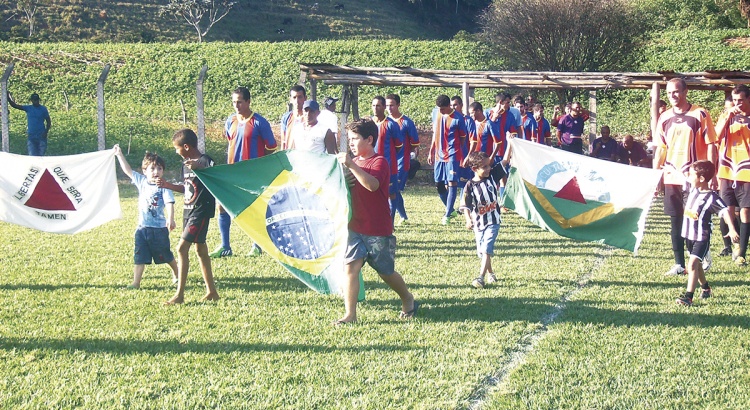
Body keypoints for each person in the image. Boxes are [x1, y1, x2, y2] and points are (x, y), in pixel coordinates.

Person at [334, 119, 418, 325]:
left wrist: (351, 165)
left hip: (377, 229)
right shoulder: (353, 164)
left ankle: (407, 298)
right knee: (350, 268)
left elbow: (372, 185)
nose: (351, 143)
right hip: (354, 227)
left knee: (385, 272)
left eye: (355, 139)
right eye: (349, 139)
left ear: (369, 139)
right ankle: (350, 315)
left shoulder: (379, 162)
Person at [654, 78, 717, 276]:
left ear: (685, 92)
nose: (673, 96)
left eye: (676, 92)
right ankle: (679, 264)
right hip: (671, 176)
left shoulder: (699, 114)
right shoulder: (664, 118)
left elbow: (711, 144)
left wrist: (711, 174)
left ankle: (698, 257)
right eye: (669, 93)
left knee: (694, 221)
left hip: (694, 179)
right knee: (676, 221)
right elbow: (660, 149)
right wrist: (657, 175)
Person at [211, 86, 277, 259]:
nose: (236, 105)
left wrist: (256, 162)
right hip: (231, 173)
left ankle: (256, 246)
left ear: (248, 101)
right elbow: (231, 141)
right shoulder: (230, 121)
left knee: (253, 209)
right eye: (234, 102)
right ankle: (225, 246)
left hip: (251, 175)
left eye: (240, 102)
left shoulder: (259, 122)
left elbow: (272, 147)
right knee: (222, 206)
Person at [158, 129, 219, 305]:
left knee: (181, 249)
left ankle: (179, 295)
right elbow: (187, 187)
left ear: (186, 146)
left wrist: (199, 167)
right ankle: (212, 292)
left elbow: (214, 173)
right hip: (188, 212)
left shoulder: (205, 160)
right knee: (201, 251)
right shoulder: (185, 164)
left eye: (177, 148)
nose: (176, 152)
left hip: (201, 212)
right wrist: (168, 185)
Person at [113, 145, 179, 289]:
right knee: (139, 256)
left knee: (165, 255)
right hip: (142, 229)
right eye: (152, 169)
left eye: (160, 168)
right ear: (144, 171)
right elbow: (128, 171)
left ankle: (177, 272)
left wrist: (171, 218)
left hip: (159, 229)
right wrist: (119, 155)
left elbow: (169, 202)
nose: (156, 172)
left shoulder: (164, 186)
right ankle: (136, 282)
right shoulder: (141, 182)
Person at [675, 160, 738, 306]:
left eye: (691, 175)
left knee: (692, 264)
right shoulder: (694, 188)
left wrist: (732, 228)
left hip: (701, 237)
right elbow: (681, 175)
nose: (689, 178)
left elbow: (725, 212)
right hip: (688, 235)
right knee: (696, 265)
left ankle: (688, 297)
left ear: (702, 179)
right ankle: (706, 288)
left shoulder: (712, 198)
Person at [714, 84, 750, 265]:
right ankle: (728, 246)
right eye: (735, 101)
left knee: (744, 212)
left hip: (746, 171)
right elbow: (714, 137)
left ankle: (742, 252)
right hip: (727, 170)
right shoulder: (727, 116)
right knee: (726, 210)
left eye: (741, 100)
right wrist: (727, 116)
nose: (737, 104)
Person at [460, 151, 501, 289]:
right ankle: (491, 273)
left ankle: (480, 277)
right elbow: (465, 206)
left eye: (489, 166)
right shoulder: (470, 186)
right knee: (482, 251)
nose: (489, 169)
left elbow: (505, 160)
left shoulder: (492, 177)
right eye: (484, 167)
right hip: (479, 223)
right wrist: (468, 220)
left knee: (486, 249)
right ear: (474, 169)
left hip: (493, 222)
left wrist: (510, 143)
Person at [429, 94, 468, 225]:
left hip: (452, 154)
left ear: (448, 106)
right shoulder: (436, 113)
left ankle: (447, 215)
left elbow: (463, 137)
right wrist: (431, 150)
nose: (440, 111)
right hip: (439, 155)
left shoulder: (459, 118)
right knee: (438, 184)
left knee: (452, 183)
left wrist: (456, 150)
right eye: (439, 108)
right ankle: (450, 209)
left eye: (443, 109)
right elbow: (435, 133)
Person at [385, 93, 420, 226]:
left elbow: (415, 143)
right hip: (387, 162)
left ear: (398, 105)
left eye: (392, 105)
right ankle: (403, 217)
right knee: (392, 191)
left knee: (394, 190)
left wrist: (410, 152)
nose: (389, 108)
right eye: (387, 105)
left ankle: (398, 218)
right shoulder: (386, 122)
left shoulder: (406, 122)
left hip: (400, 163)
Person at [371, 96, 404, 218]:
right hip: (372, 166)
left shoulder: (391, 124)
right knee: (373, 193)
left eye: (378, 105)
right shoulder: (369, 123)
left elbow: (399, 145)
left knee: (391, 193)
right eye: (373, 105)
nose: (375, 108)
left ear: (384, 107)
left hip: (389, 166)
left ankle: (391, 220)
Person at [7, 92, 51, 156]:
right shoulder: (28, 108)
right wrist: (8, 98)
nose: (36, 101)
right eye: (34, 100)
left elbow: (48, 121)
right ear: (32, 100)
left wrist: (46, 132)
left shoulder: (43, 109)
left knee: (41, 156)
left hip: (41, 135)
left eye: (37, 100)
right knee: (32, 155)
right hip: (31, 136)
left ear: (39, 100)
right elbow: (15, 105)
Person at [280, 85, 306, 150]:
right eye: (294, 97)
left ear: (305, 98)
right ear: (290, 99)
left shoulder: (309, 117)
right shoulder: (286, 117)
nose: (297, 101)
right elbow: (283, 142)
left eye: (300, 97)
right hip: (290, 157)